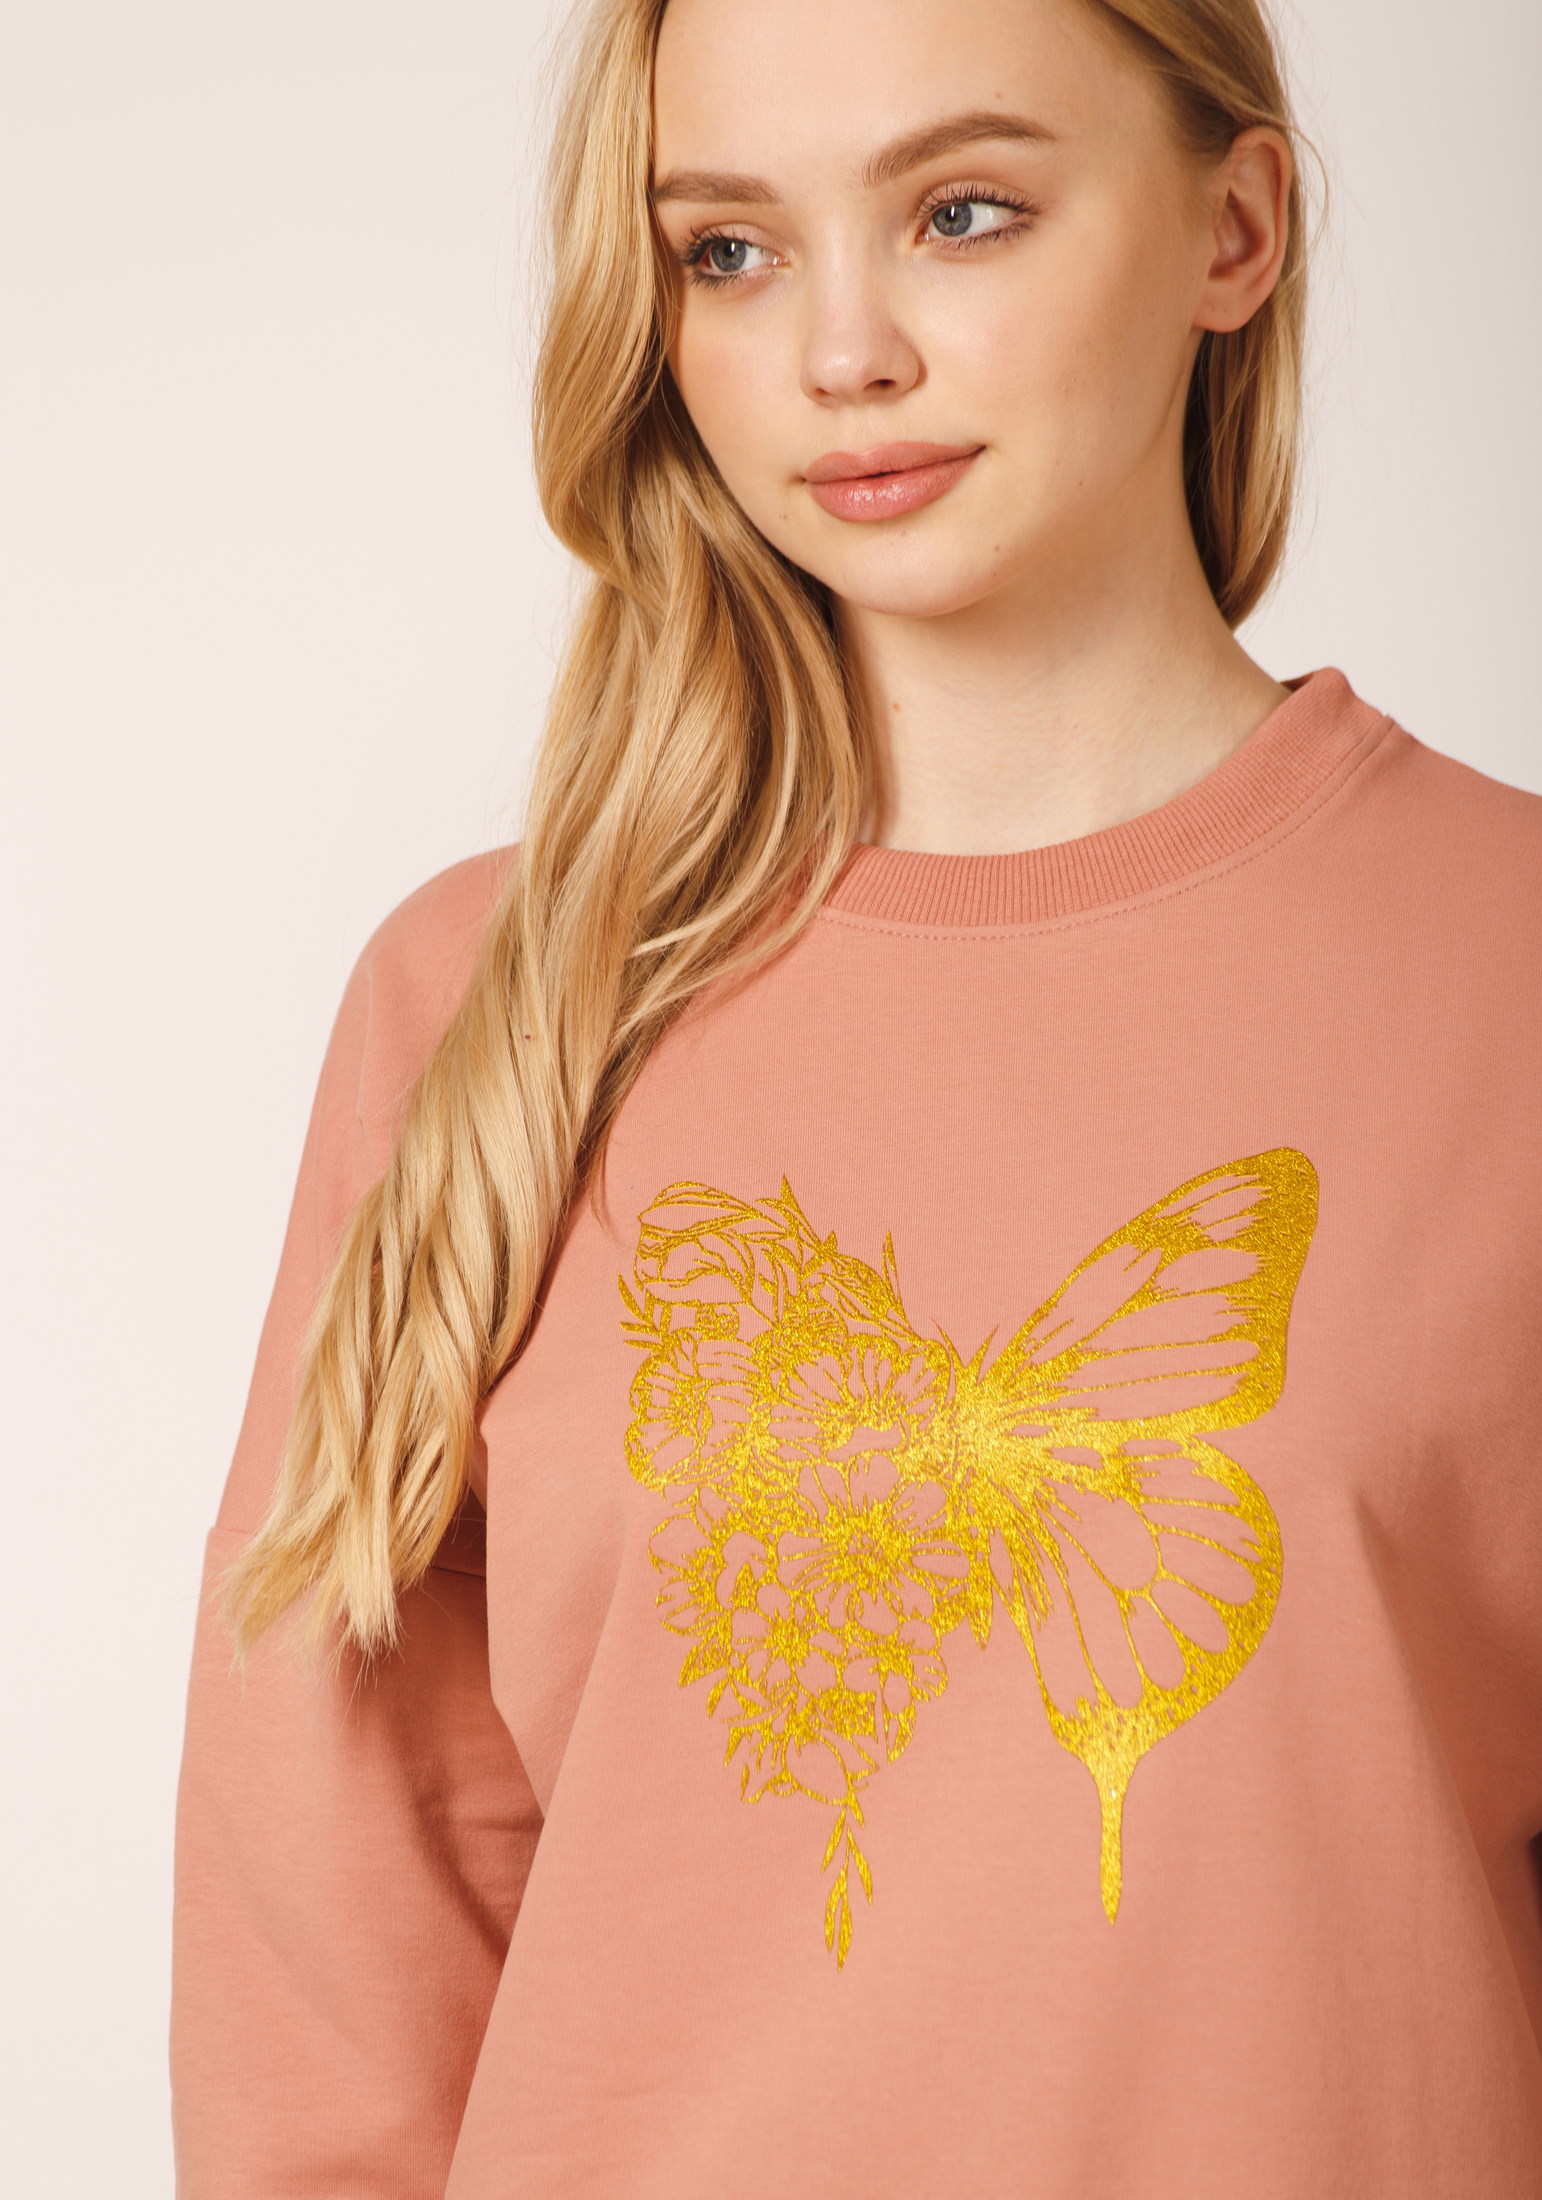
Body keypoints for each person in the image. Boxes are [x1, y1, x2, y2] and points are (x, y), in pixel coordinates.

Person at [170, 0, 1542, 2191]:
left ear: (1235, 228)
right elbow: (328, 1976)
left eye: (961, 212)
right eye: (727, 250)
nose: (839, 354)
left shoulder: (1507, 965)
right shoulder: (488, 1001)